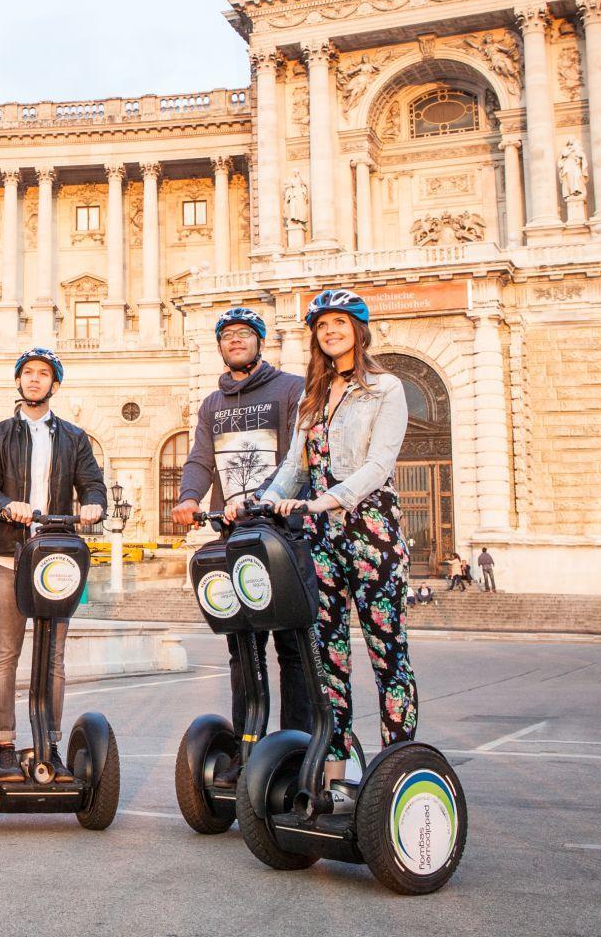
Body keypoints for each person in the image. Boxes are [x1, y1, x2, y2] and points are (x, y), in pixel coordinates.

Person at [242, 288, 413, 810]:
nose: (330, 331)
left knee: (388, 654)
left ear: (359, 330)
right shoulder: (313, 396)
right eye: (322, 325)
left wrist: (325, 502)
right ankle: (336, 775)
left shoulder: (386, 389)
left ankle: (396, 768)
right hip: (321, 540)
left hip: (372, 531)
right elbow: (296, 465)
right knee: (329, 657)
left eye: (340, 322)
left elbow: (380, 464)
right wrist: (264, 502)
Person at [171, 306, 312, 748]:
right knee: (242, 647)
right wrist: (189, 498)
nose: (235, 340)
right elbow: (200, 458)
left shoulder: (291, 389)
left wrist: (262, 499)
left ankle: (295, 744)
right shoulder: (212, 404)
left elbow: (299, 459)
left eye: (244, 334)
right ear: (219, 348)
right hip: (234, 537)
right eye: (227, 336)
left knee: (292, 648)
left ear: (260, 342)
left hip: (283, 535)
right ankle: (249, 744)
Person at [0, 348, 106, 784]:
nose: (33, 380)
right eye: (27, 373)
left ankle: (49, 743)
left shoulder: (73, 437)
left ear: (54, 384)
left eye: (42, 374)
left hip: (56, 559)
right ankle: (7, 746)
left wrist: (94, 506)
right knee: (6, 654)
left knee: (54, 660)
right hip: (9, 557)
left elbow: (93, 483)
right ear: (18, 381)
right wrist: (7, 506)